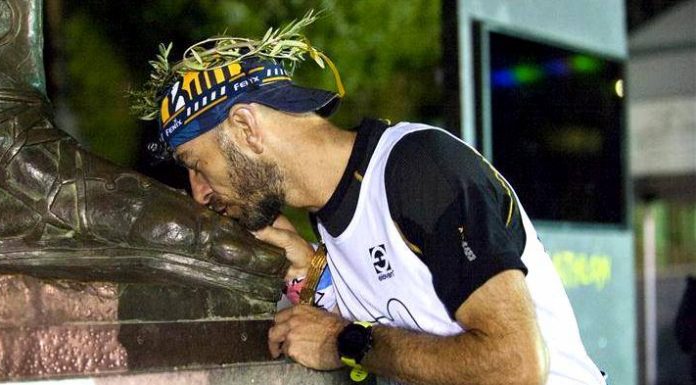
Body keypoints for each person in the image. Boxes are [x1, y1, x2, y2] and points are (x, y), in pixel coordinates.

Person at [132, 21, 606, 385]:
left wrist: (344, 341)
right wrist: (309, 269)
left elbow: (517, 364)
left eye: (197, 164)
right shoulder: (330, 220)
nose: (199, 190)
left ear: (246, 129)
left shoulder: (418, 168)